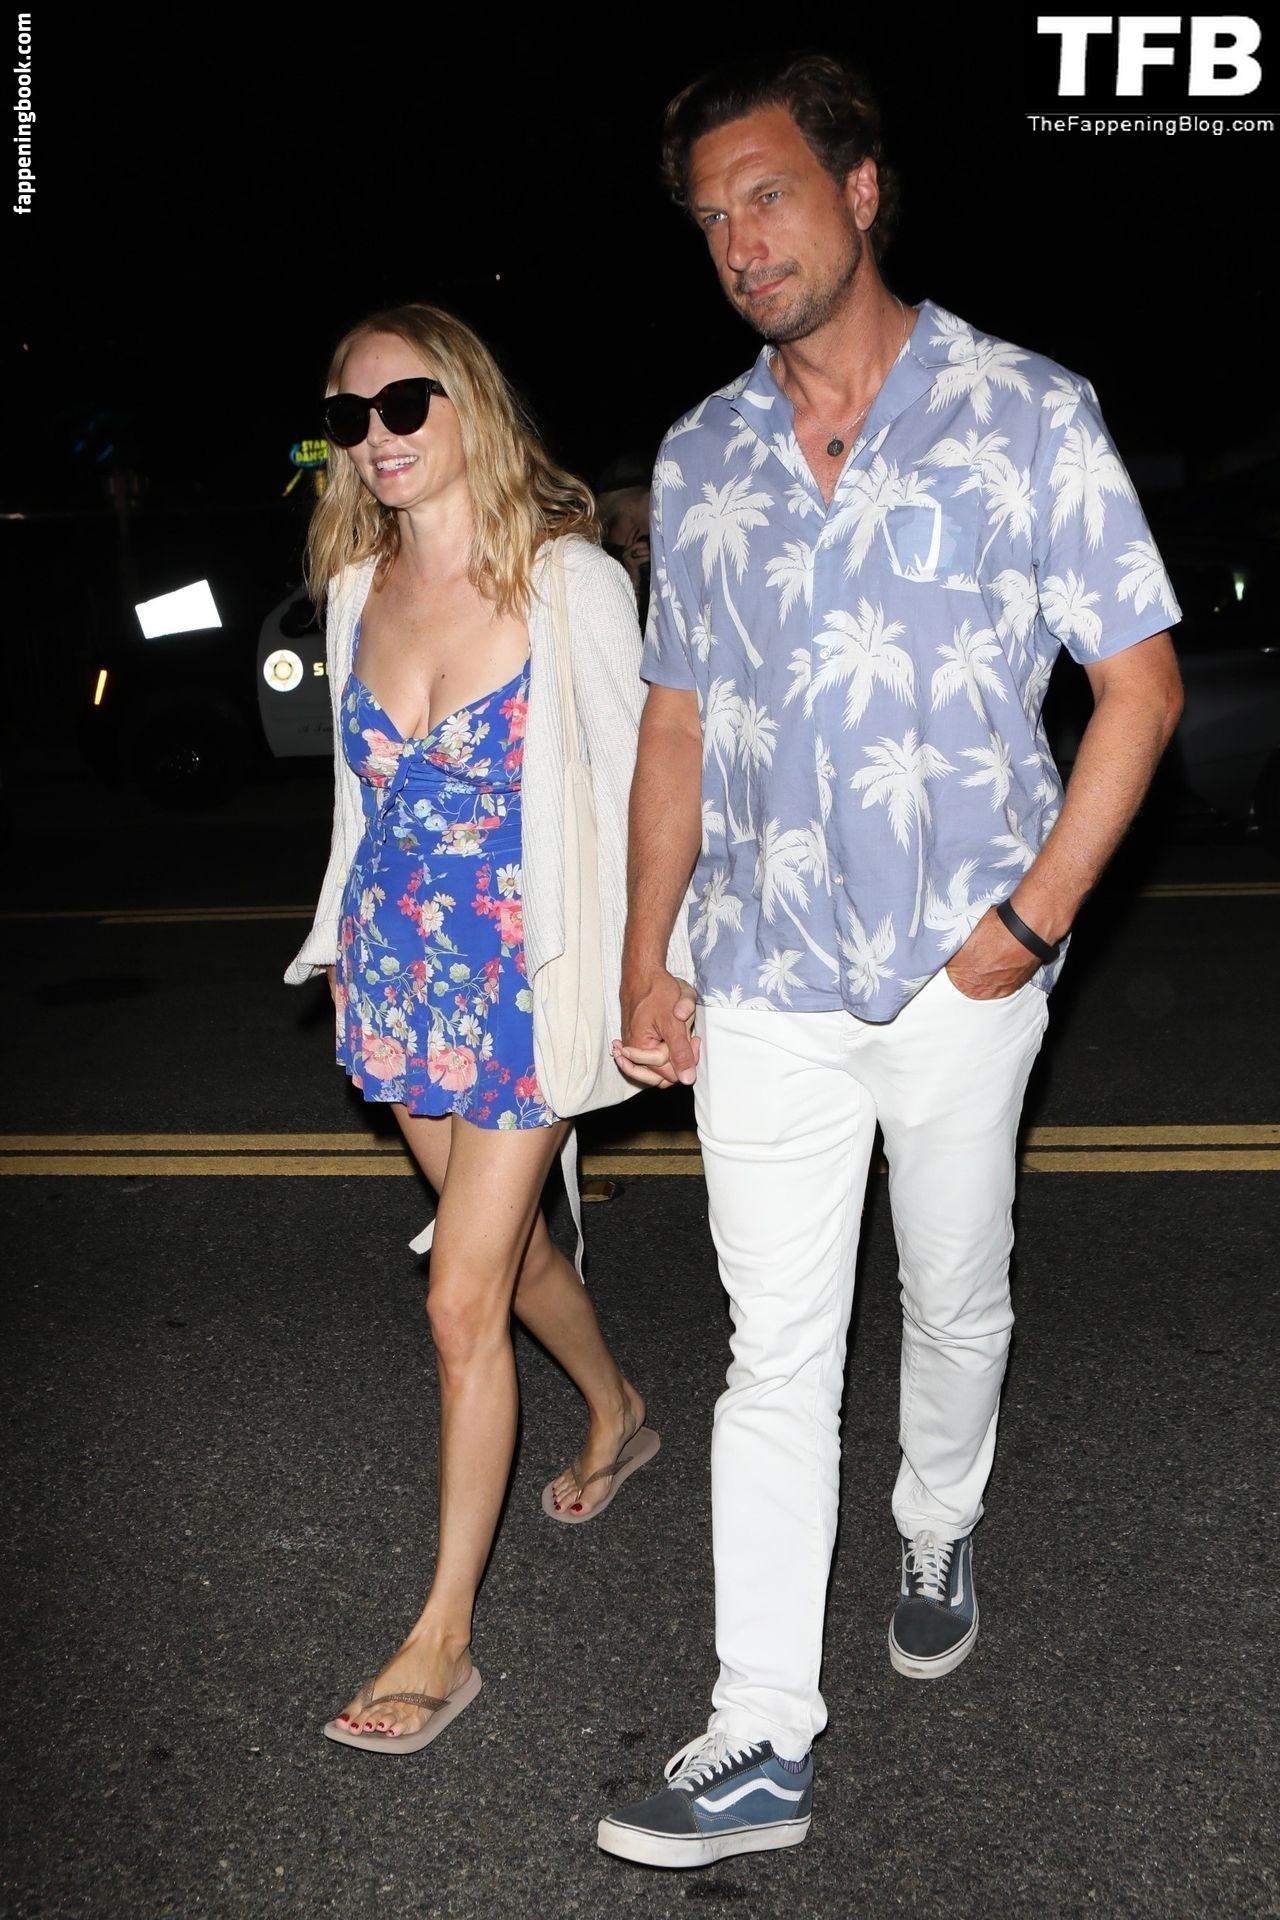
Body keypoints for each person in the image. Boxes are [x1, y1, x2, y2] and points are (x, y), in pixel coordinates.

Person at [598, 53, 1183, 1866]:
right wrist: (645, 958)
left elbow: (1139, 685)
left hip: (959, 971)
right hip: (762, 973)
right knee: (773, 1355)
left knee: (954, 1301)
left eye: (767, 195)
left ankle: (938, 1518)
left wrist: (1032, 920)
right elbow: (677, 726)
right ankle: (760, 1730)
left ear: (860, 192)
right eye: (710, 216)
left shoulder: (1029, 412)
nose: (738, 241)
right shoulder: (700, 457)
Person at [285, 303, 673, 1754]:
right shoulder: (354, 589)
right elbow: (360, 802)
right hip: (397, 983)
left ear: (470, 405)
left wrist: (657, 972)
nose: (376, 436)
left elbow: (644, 788)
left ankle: (441, 1641)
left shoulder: (570, 582)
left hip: (523, 983)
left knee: (458, 1300)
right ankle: (619, 1405)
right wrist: (340, 942)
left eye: (406, 404)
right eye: (351, 416)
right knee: (504, 1260)